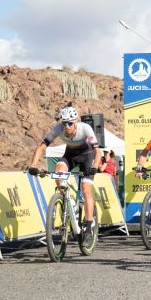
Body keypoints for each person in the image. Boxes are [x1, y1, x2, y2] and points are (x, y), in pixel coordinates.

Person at [28, 106, 102, 248]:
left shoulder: (85, 128)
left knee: (86, 189)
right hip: (70, 156)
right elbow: (42, 146)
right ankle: (64, 198)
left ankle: (88, 227)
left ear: (76, 122)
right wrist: (33, 165)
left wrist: (95, 167)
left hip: (87, 157)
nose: (66, 126)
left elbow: (98, 151)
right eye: (64, 123)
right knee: (58, 170)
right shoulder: (58, 129)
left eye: (70, 123)